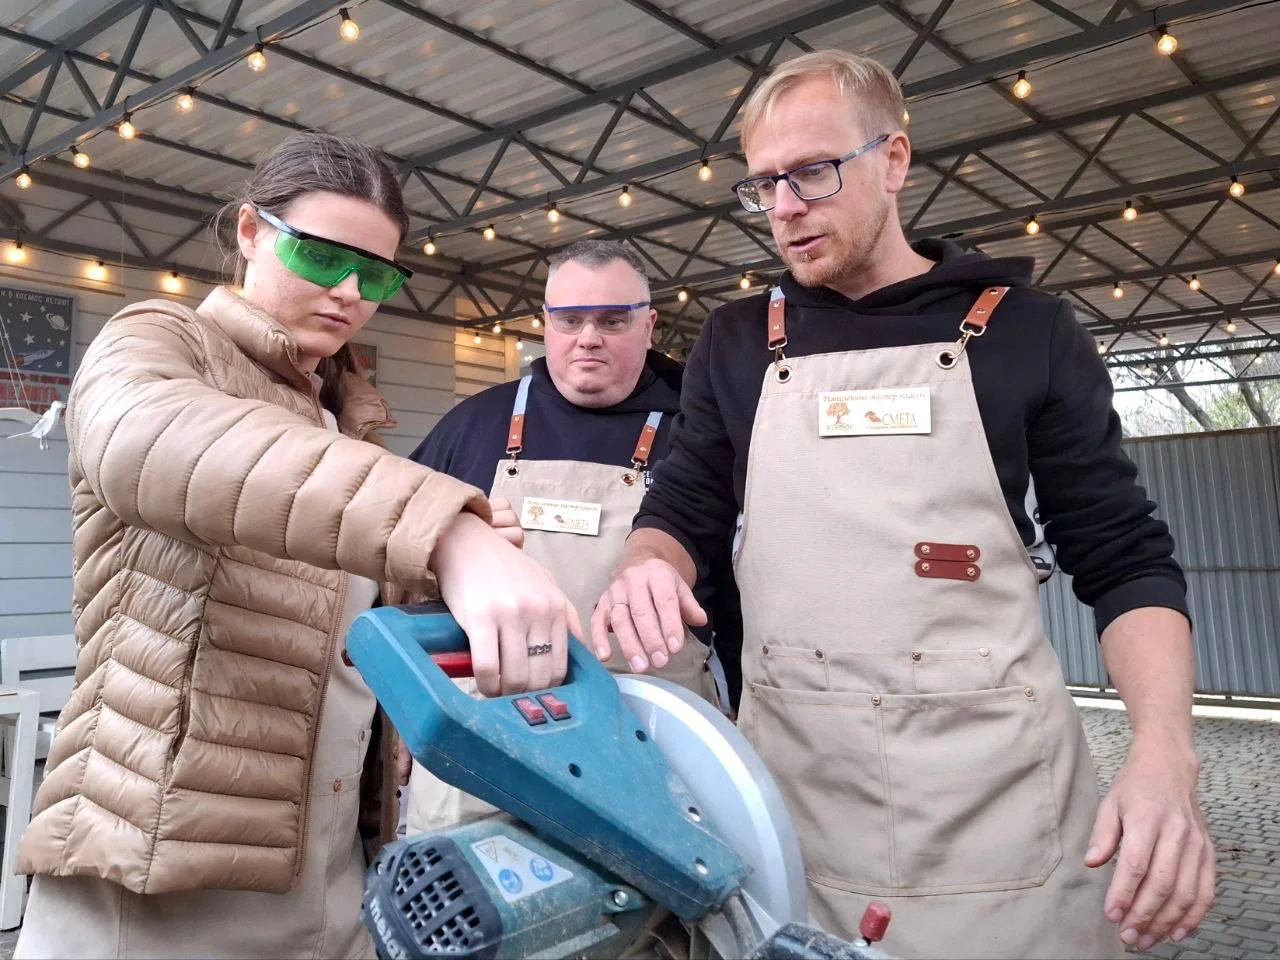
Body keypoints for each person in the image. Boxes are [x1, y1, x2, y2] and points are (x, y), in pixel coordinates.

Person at [591, 50, 1214, 959]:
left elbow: (1123, 558)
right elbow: (683, 505)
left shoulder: (1025, 331)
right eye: (764, 184)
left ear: (893, 161)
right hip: (793, 808)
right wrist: (647, 564)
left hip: (997, 811)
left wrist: (1165, 755)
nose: (785, 207)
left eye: (812, 171)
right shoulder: (736, 341)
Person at [13, 132, 578, 960]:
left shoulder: (346, 426)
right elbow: (153, 442)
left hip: (331, 883)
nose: (348, 291)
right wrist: (446, 530)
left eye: (376, 275)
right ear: (250, 232)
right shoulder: (160, 345)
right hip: (161, 889)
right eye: (320, 256)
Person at [402, 239, 740, 835]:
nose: (589, 338)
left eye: (612, 320)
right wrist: (403, 709)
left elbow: (742, 599)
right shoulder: (471, 424)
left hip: (645, 753)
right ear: (546, 323)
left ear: (649, 325)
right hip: (484, 749)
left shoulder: (698, 437)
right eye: (570, 319)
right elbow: (403, 570)